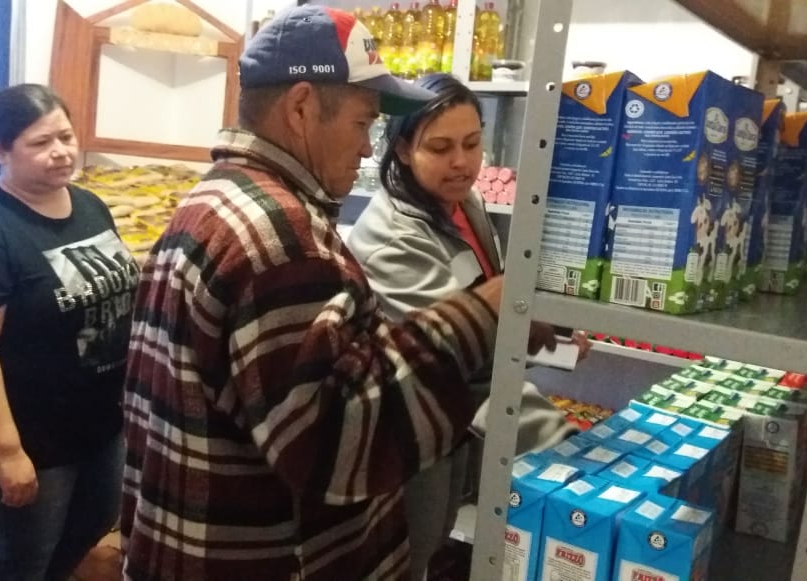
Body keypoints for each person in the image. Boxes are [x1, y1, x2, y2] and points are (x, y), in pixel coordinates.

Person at [120, 6, 556, 581]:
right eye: (362, 123)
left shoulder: (215, 198)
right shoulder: (283, 240)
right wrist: (483, 313)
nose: (370, 149)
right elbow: (338, 448)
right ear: (301, 107)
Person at [347, 73, 587, 579]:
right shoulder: (392, 237)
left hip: (455, 423)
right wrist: (563, 444)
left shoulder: (463, 204)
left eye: (473, 143)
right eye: (440, 147)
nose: (462, 162)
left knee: (436, 542)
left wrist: (546, 332)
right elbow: (461, 354)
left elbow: (488, 296)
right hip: (414, 428)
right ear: (404, 149)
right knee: (413, 547)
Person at [0, 84, 139, 581]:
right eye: (40, 143)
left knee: (94, 519)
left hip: (95, 419)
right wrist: (7, 453)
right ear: (0, 151)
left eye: (66, 136)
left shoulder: (88, 205)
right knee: (26, 550)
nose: (61, 152)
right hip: (28, 431)